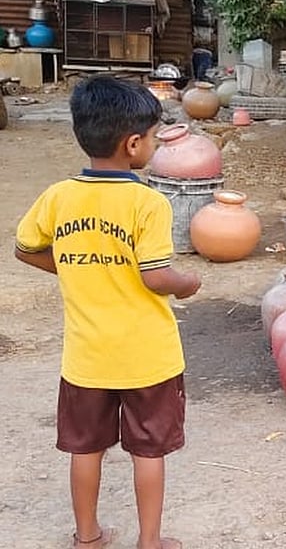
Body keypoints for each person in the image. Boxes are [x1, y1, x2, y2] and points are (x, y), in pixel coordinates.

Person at [14, 76, 202, 549]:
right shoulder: (147, 202)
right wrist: (187, 284)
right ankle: (150, 542)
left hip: (87, 358)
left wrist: (74, 265)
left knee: (85, 448)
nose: (154, 145)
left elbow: (24, 248)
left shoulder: (59, 197)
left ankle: (88, 537)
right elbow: (155, 276)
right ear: (133, 144)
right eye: (153, 137)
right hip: (148, 359)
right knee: (148, 452)